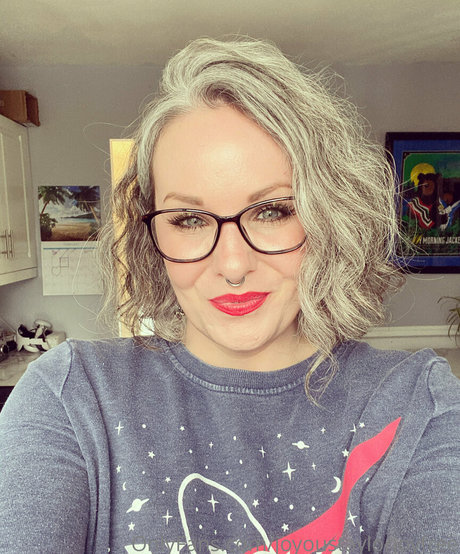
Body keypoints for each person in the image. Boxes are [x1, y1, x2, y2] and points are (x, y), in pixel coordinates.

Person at [1, 37, 459, 554]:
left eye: (272, 211)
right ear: (152, 235)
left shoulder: (416, 406)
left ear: (329, 217)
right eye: (189, 220)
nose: (234, 265)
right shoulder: (72, 398)